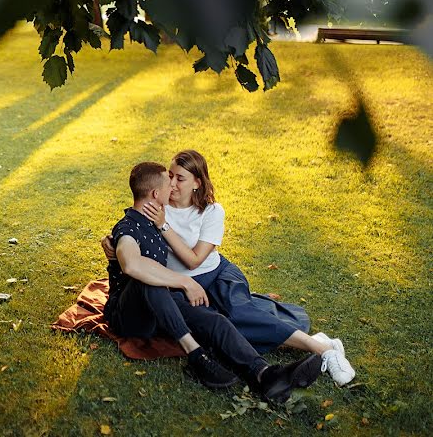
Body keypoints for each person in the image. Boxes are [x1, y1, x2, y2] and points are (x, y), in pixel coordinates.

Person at [102, 150, 355, 387]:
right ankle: (252, 367)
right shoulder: (156, 207)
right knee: (218, 323)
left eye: (180, 178)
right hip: (174, 286)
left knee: (239, 313)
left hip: (214, 274)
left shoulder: (209, 211)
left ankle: (319, 350)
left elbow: (193, 260)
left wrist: (164, 229)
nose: (173, 184)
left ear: (197, 183)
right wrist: (115, 246)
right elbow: (132, 229)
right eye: (170, 178)